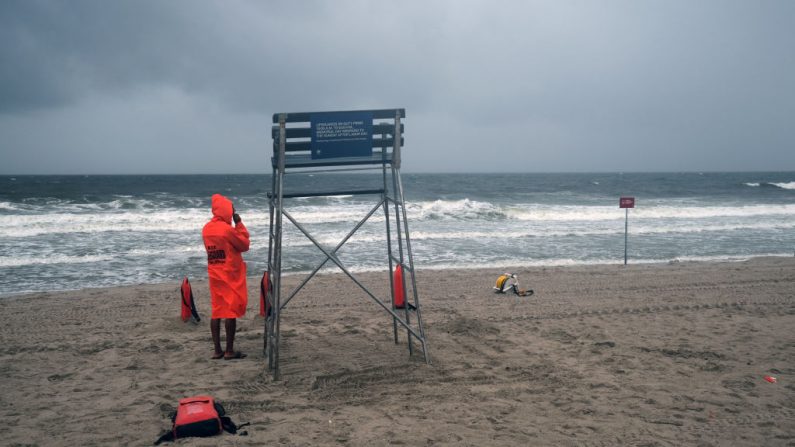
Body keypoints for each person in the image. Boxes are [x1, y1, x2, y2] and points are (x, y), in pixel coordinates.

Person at [202, 194, 250, 360]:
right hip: (229, 272)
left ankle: (217, 350)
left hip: (214, 272)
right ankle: (229, 351)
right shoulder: (227, 229)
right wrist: (239, 223)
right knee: (230, 311)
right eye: (231, 209)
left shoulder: (206, 228)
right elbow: (244, 245)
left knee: (216, 310)